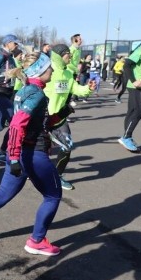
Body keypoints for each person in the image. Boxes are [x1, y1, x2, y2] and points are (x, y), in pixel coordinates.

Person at [0, 51, 63, 255]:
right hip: (32, 154)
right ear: (40, 71)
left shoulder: (25, 90)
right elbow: (16, 125)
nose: (52, 70)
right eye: (49, 67)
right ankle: (36, 241)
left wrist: (60, 116)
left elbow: (38, 123)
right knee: (53, 196)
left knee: (3, 194)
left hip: (22, 154)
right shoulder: (36, 94)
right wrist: (14, 157)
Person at [44, 44, 94, 190]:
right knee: (38, 150)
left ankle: (57, 176)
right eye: (68, 54)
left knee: (67, 146)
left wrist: (88, 89)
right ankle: (28, 169)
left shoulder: (67, 74)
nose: (70, 57)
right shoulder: (47, 70)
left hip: (59, 119)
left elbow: (76, 89)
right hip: (42, 119)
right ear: (59, 56)